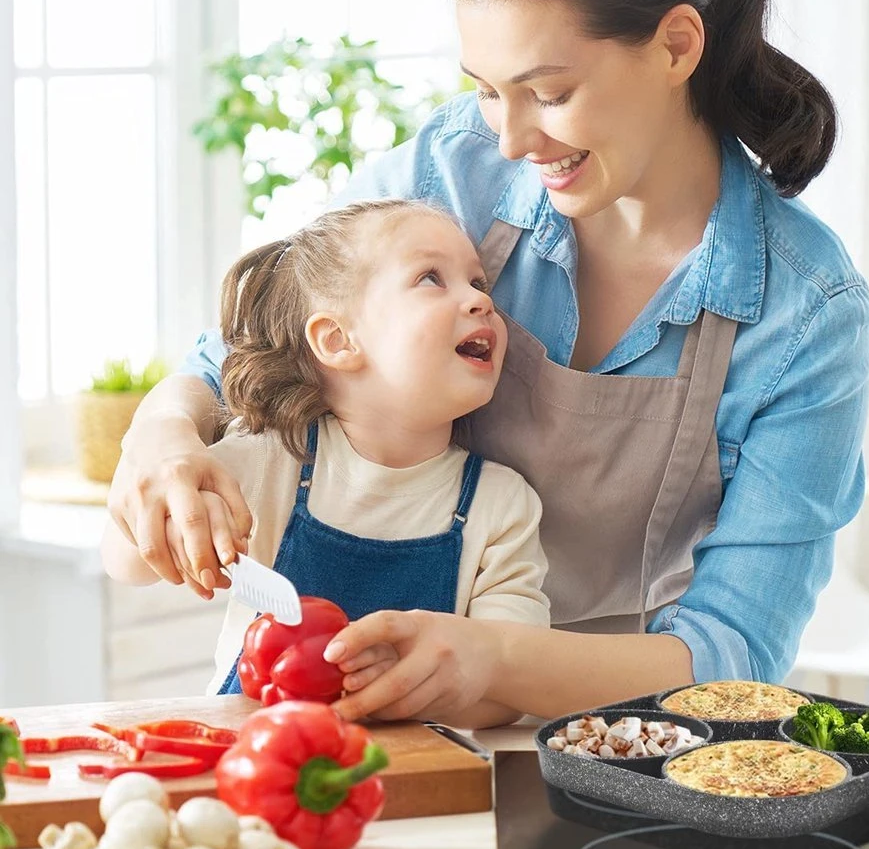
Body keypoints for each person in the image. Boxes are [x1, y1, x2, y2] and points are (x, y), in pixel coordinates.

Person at [108, 0, 869, 727]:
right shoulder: (454, 169)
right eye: (485, 92)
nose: (511, 140)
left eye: (548, 93)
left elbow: (736, 652)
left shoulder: (806, 312)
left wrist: (494, 657)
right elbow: (242, 352)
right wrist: (163, 436)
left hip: (617, 737)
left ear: (676, 45)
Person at [101, 199, 549, 727]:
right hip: (254, 756)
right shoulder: (271, 460)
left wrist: (409, 682)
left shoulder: (502, 506)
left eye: (478, 283)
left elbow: (511, 688)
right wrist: (173, 523)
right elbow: (125, 564)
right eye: (431, 278)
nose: (480, 301)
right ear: (337, 341)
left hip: (416, 770)